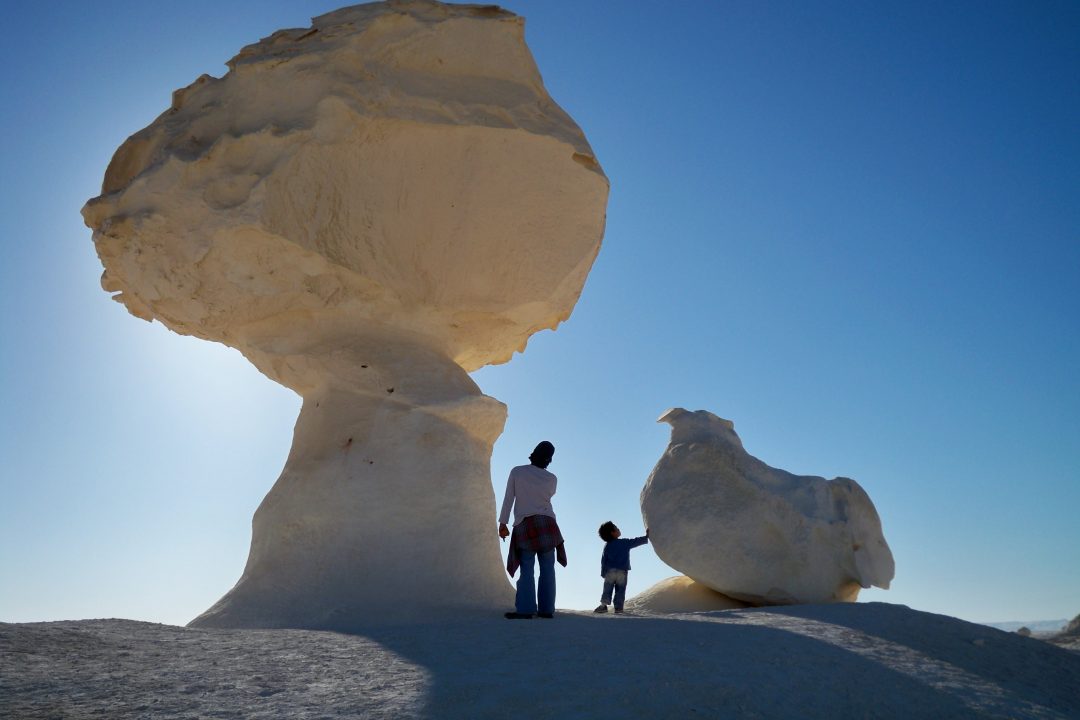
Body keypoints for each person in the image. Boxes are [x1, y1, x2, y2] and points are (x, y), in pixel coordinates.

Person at [498, 441, 567, 619]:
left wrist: (503, 523)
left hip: (526, 523)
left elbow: (509, 498)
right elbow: (548, 496)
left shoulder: (517, 471)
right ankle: (546, 610)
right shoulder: (552, 478)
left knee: (527, 567)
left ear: (533, 453)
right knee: (548, 568)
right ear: (549, 459)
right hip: (549, 524)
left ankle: (525, 610)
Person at [593, 521, 649, 614]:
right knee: (620, 590)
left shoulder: (607, 546)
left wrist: (603, 573)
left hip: (610, 572)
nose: (619, 529)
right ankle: (618, 608)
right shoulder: (624, 542)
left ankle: (603, 606)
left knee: (607, 589)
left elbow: (604, 561)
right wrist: (646, 537)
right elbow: (635, 541)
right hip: (622, 571)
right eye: (616, 528)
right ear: (612, 532)